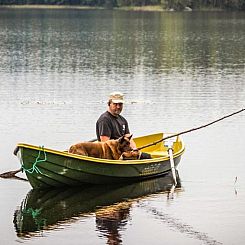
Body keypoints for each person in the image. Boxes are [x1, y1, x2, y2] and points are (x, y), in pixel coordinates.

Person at [96, 92, 151, 159]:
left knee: (144, 155)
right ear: (109, 103)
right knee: (147, 157)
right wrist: (123, 155)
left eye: (120, 104)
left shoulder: (123, 120)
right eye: (115, 104)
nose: (118, 107)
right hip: (112, 154)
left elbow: (128, 138)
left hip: (123, 150)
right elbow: (105, 143)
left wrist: (135, 149)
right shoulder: (104, 120)